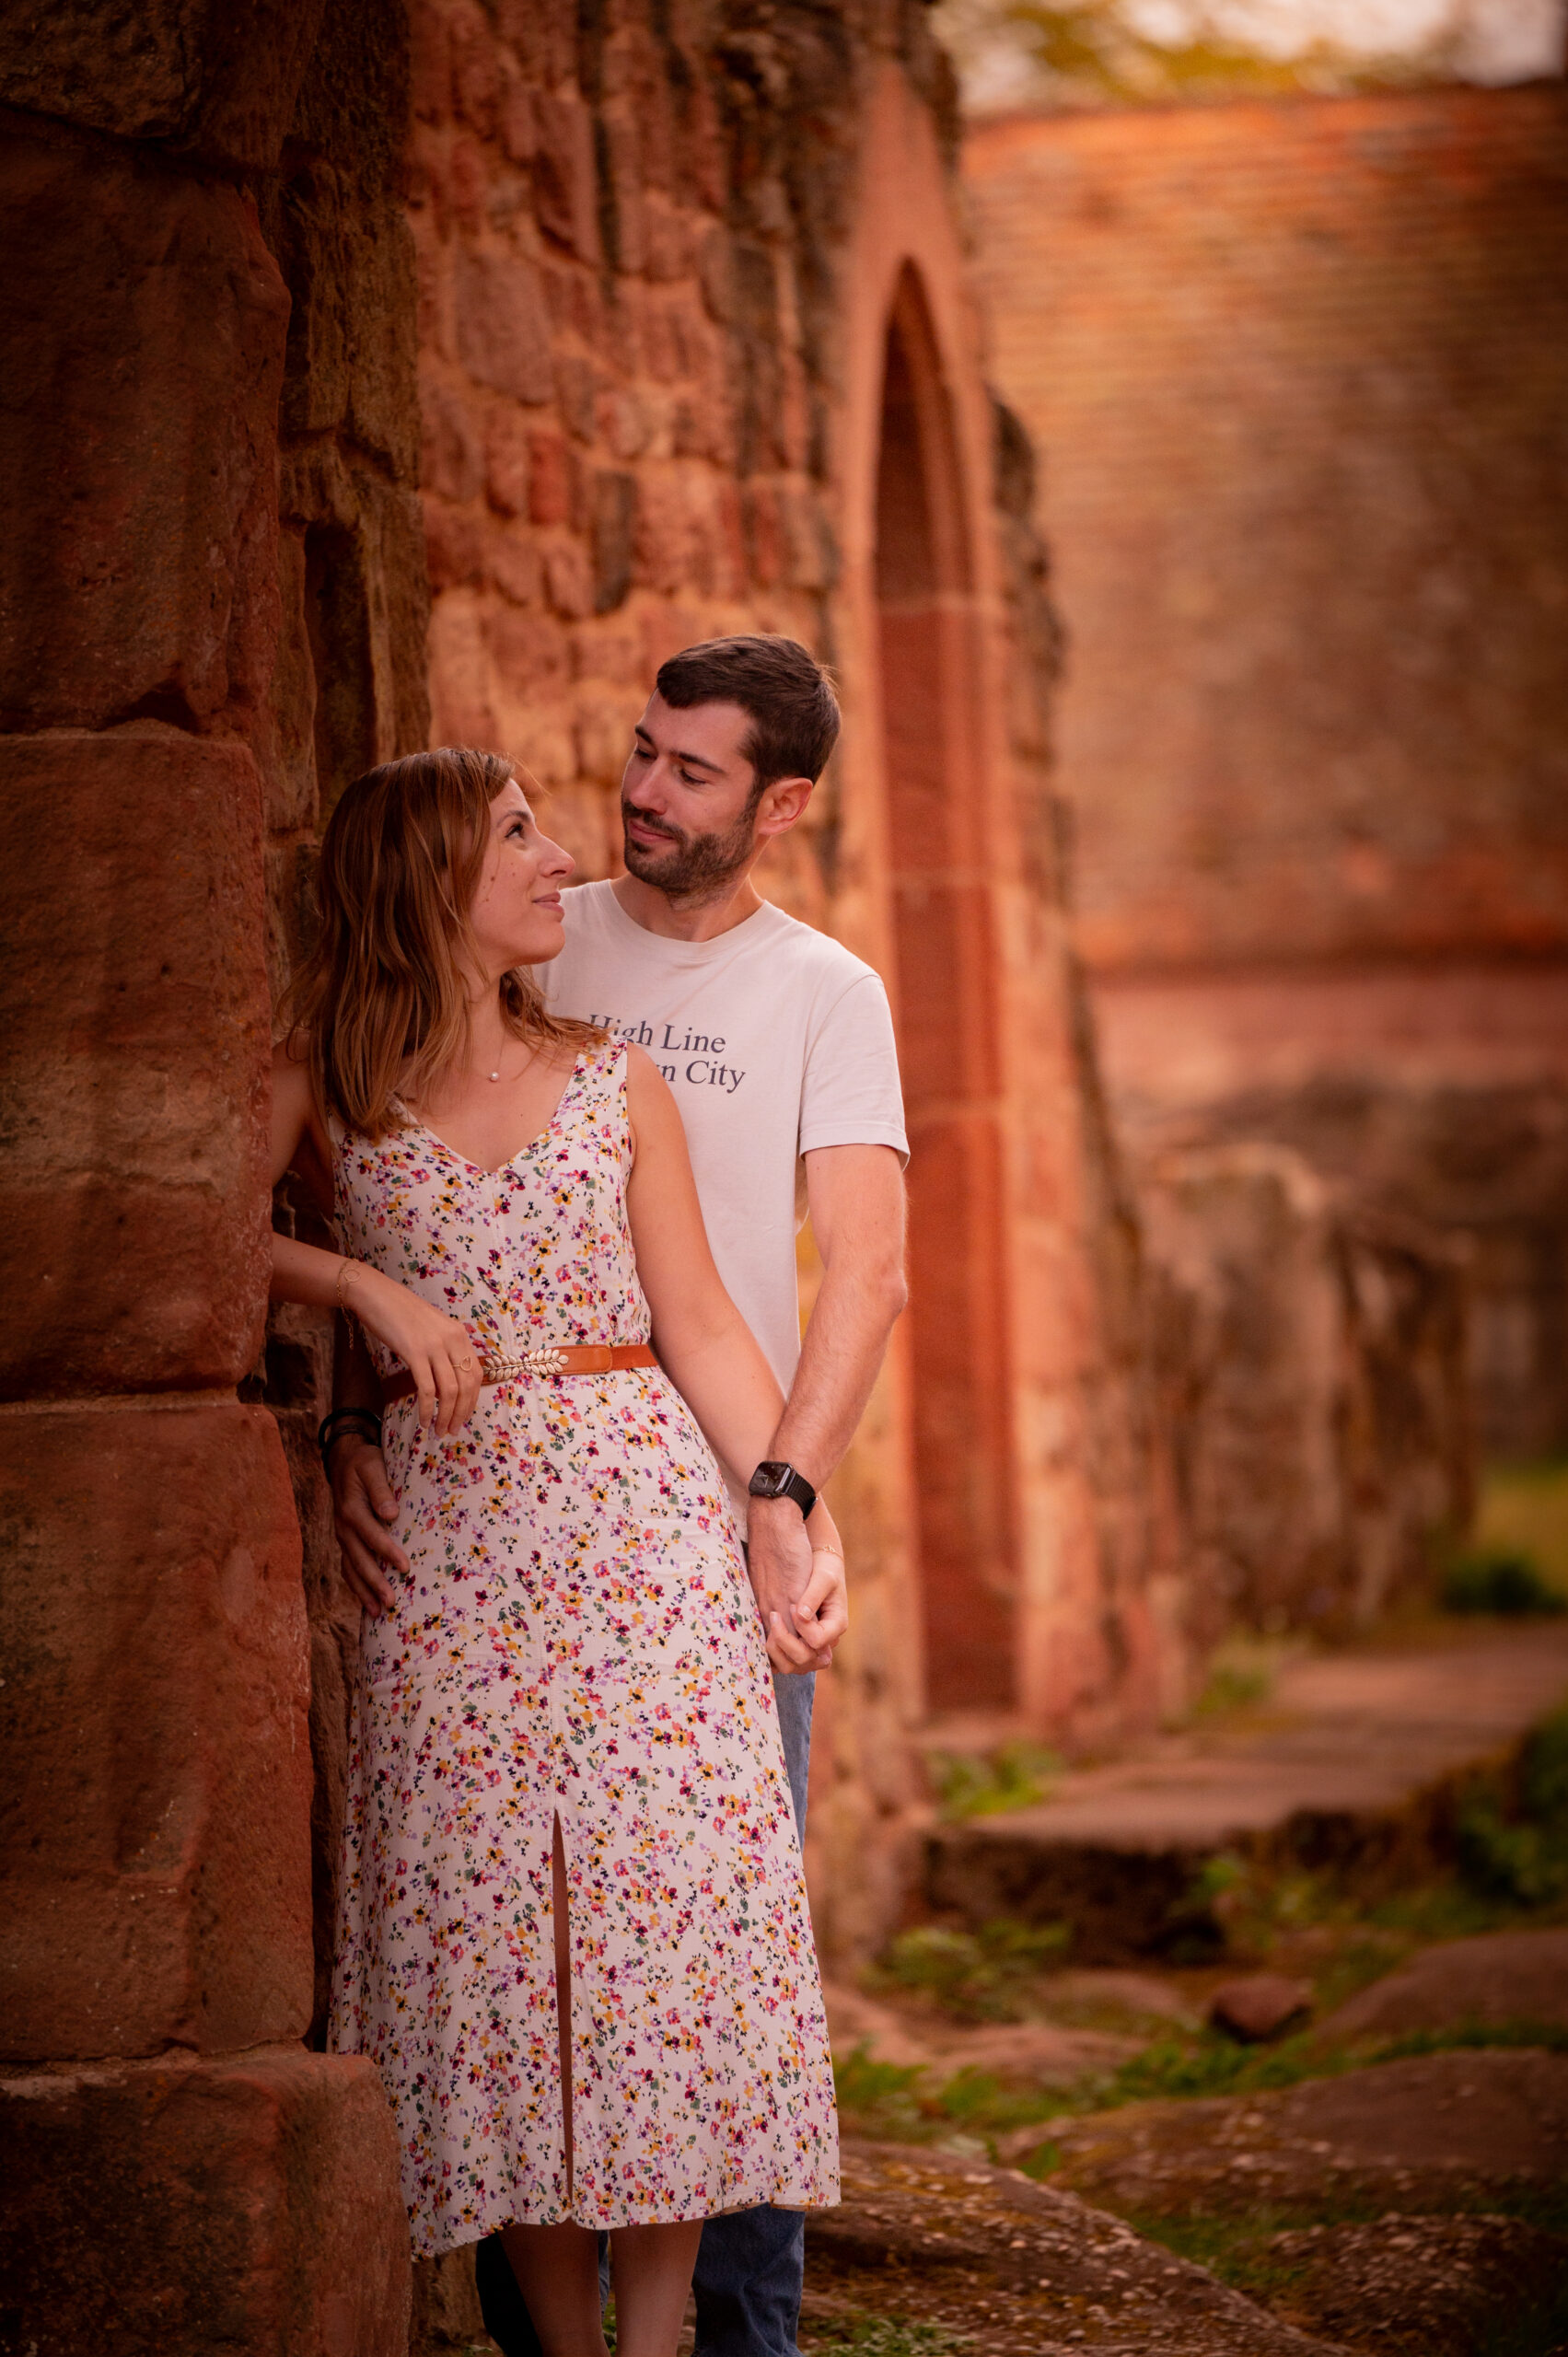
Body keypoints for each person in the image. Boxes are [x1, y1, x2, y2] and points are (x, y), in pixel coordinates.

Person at [329, 636, 910, 2357]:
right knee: (513, 1964)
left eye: (690, 772)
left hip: (695, 1524)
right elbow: (316, 1199)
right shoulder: (537, 936)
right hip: (474, 1539)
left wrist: (789, 1504)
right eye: (641, 752)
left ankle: (742, 2345)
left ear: (779, 806)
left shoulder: (822, 993)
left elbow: (847, 1282)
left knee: (696, 1968)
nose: (635, 798)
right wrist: (352, 1403)